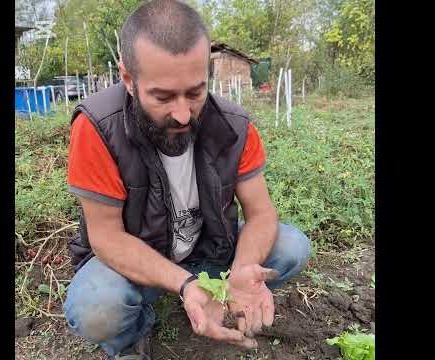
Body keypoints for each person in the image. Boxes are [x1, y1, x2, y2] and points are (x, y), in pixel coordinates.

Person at [63, 1, 310, 359]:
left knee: (291, 247)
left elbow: (261, 214)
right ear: (129, 80)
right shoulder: (98, 128)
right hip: (138, 261)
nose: (182, 114)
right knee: (98, 306)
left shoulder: (234, 125)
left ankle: (220, 297)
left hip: (209, 251)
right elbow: (106, 237)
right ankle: (133, 336)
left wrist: (242, 270)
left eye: (195, 93)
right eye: (163, 97)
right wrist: (183, 284)